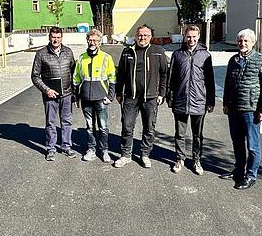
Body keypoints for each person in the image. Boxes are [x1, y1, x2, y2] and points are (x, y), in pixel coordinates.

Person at [221, 28, 262, 190]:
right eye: (240, 40)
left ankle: (251, 175)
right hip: (233, 109)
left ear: (253, 42)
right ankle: (238, 170)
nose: (242, 43)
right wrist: (225, 102)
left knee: (252, 146)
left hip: (251, 110)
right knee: (237, 142)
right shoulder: (233, 60)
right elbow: (227, 83)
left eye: (246, 41)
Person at [114, 25, 169, 169]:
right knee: (127, 126)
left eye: (145, 35)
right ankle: (126, 155)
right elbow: (121, 74)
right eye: (140, 35)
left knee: (149, 128)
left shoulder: (158, 52)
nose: (142, 38)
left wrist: (162, 93)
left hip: (150, 97)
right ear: (135, 36)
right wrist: (118, 92)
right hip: (130, 97)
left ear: (150, 37)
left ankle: (145, 154)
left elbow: (164, 74)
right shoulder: (127, 52)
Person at [167, 25, 215, 175]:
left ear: (198, 37)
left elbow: (210, 80)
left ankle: (196, 160)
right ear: (184, 36)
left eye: (194, 37)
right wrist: (170, 97)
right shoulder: (177, 55)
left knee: (197, 135)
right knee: (180, 134)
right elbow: (171, 78)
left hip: (199, 101)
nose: (191, 39)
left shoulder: (205, 55)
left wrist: (210, 101)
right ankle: (179, 159)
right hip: (180, 100)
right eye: (188, 36)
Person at [31, 26, 77, 161]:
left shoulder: (68, 52)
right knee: (50, 122)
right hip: (50, 95)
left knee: (67, 121)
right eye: (53, 37)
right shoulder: (41, 53)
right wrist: (47, 90)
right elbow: (35, 76)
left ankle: (66, 146)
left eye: (58, 37)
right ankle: (51, 148)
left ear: (62, 38)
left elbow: (74, 73)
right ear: (49, 37)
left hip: (66, 94)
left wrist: (75, 93)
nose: (56, 40)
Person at [72, 29, 116, 163]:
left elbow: (112, 78)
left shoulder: (106, 58)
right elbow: (76, 78)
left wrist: (110, 96)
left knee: (103, 127)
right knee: (90, 127)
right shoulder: (81, 58)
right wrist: (76, 96)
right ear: (87, 40)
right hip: (86, 98)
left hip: (101, 98)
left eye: (95, 40)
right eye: (90, 40)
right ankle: (91, 150)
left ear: (99, 42)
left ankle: (104, 150)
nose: (92, 42)